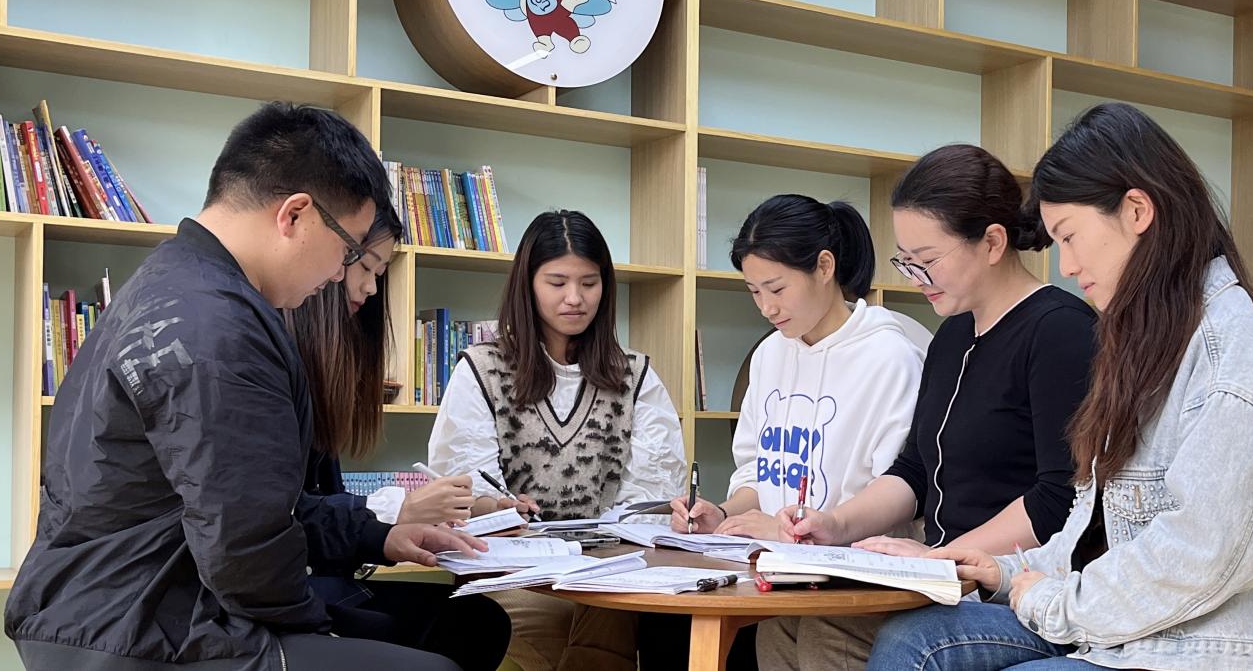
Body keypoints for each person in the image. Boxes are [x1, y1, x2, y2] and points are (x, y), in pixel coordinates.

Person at [5, 102, 485, 671]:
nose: (341, 273)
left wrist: (373, 537)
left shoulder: (174, 284)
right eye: (350, 251)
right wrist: (318, 627)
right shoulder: (219, 327)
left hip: (111, 605)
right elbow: (245, 549)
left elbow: (257, 509)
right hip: (139, 626)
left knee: (452, 628)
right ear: (295, 215)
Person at [869, 102, 1253, 670]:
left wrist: (1052, 601)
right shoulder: (1143, 337)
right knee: (912, 639)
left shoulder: (1229, 344)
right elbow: (1093, 527)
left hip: (1221, 646)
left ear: (1137, 210)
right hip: (1145, 631)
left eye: (1070, 237)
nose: (1067, 266)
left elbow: (1200, 553)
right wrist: (1011, 571)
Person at [757, 147, 1095, 670]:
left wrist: (940, 559)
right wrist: (836, 524)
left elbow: (1060, 498)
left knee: (829, 630)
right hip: (944, 577)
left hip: (1023, 586)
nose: (915, 276)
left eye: (928, 259)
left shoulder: (1060, 331)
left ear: (993, 242)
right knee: (781, 624)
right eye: (906, 260)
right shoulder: (952, 334)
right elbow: (915, 468)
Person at [661, 195, 929, 669]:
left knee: (822, 640)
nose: (767, 307)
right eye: (754, 292)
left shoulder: (890, 357)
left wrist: (794, 534)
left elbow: (899, 492)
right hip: (787, 570)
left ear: (824, 267)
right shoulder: (770, 354)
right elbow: (757, 473)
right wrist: (722, 514)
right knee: (774, 634)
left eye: (777, 288)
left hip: (863, 569)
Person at [428, 210, 685, 671]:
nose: (575, 298)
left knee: (612, 613)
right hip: (512, 570)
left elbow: (653, 496)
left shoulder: (635, 375)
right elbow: (461, 489)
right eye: (557, 282)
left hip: (609, 569)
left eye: (589, 283)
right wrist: (496, 507)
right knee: (557, 629)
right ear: (527, 285)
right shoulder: (482, 370)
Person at [282, 213, 512, 671]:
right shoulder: (275, 361)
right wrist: (393, 515)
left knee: (479, 622)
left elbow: (316, 504)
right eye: (365, 267)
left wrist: (391, 530)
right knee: (461, 633)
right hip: (287, 591)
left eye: (380, 273)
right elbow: (284, 514)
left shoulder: (317, 367)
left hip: (317, 575)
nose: (370, 288)